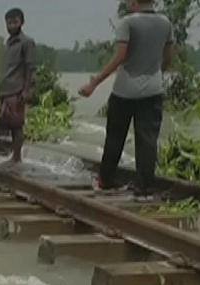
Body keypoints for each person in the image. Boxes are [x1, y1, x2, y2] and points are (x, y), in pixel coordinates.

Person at [79, 0, 175, 201]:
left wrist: (94, 83)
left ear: (133, 3)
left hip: (124, 90)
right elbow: (168, 57)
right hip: (152, 91)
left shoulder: (127, 23)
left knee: (115, 136)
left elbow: (120, 56)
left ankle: (105, 180)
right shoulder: (165, 23)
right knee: (147, 140)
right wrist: (156, 73)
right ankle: (145, 187)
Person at [0, 8, 36, 164]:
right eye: (9, 22)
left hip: (17, 90)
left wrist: (27, 90)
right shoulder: (8, 43)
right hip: (6, 90)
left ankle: (17, 157)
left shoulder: (26, 42)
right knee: (7, 124)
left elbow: (30, 68)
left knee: (17, 125)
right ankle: (14, 155)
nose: (12, 25)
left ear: (22, 23)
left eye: (15, 22)